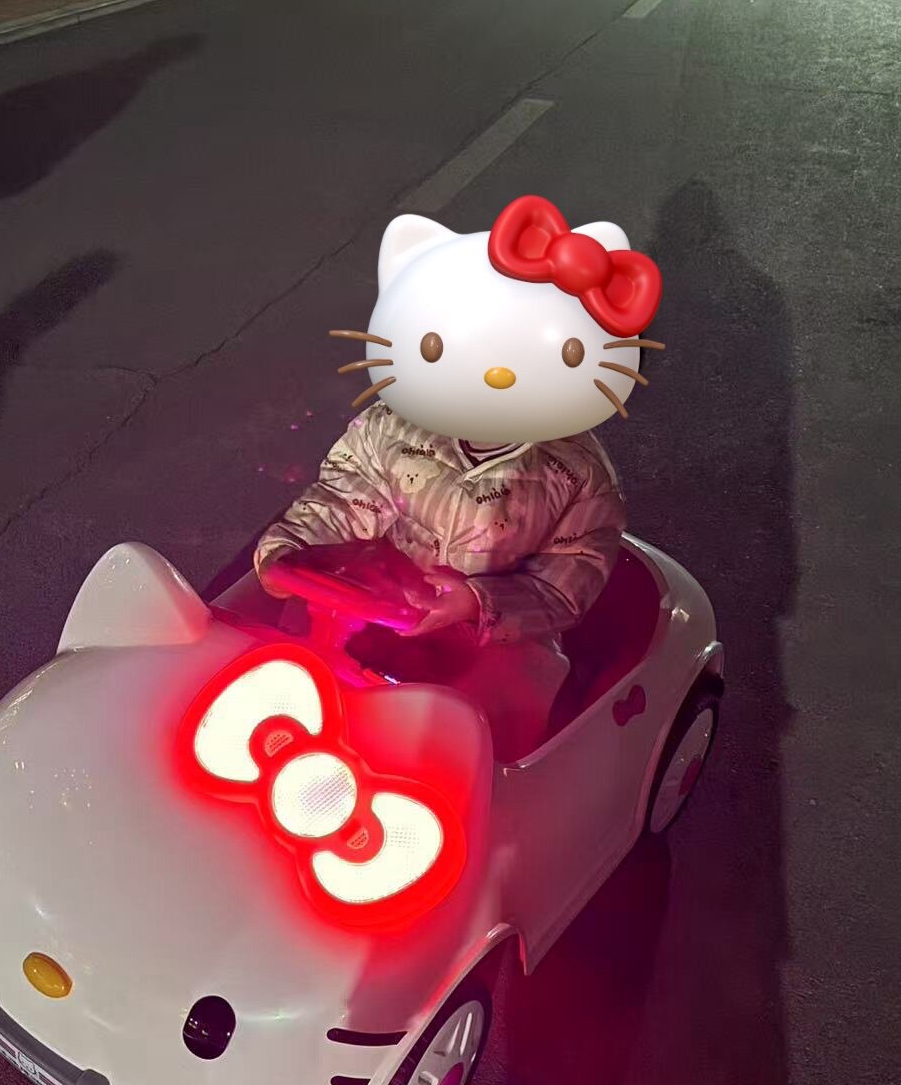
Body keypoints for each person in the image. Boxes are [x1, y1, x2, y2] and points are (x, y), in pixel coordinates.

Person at [255, 194, 664, 760]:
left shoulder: (580, 476)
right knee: (282, 673)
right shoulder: (387, 428)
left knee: (486, 726)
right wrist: (290, 550)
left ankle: (497, 791)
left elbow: (563, 586)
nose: (496, 376)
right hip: (374, 601)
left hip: (495, 638)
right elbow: (344, 498)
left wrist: (476, 603)